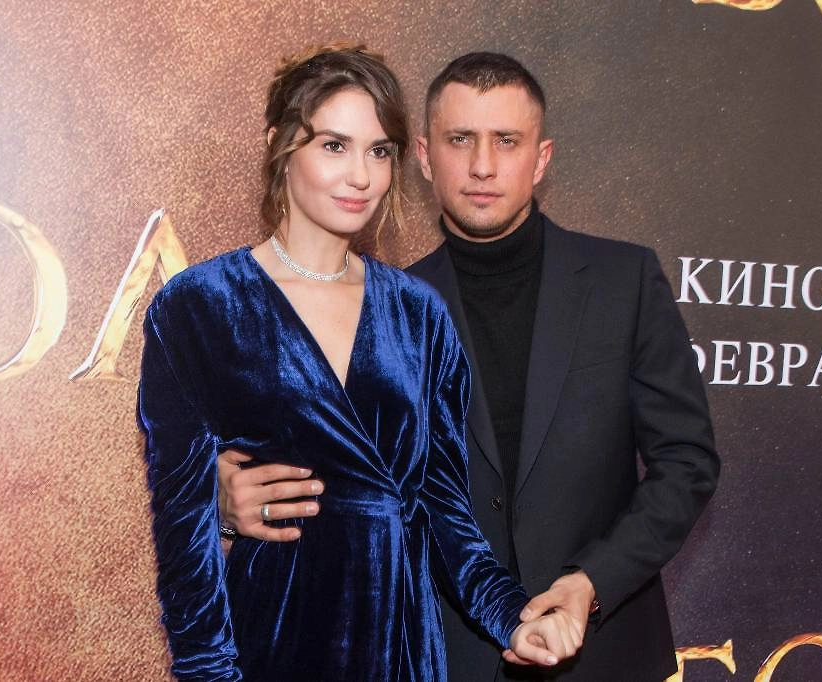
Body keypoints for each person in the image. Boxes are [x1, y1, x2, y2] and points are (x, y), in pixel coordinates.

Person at [218, 52, 720, 681]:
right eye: (460, 139)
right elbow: (341, 486)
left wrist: (592, 582)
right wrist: (224, 499)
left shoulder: (626, 280)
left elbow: (687, 461)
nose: (483, 165)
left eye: (506, 140)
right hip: (443, 657)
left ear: (541, 157)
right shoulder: (382, 307)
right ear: (424, 158)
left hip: (604, 651)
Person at [138, 45, 582, 681]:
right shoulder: (198, 306)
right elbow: (183, 537)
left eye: (378, 151)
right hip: (273, 640)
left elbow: (447, 516)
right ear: (278, 144)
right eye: (334, 146)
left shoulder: (419, 314)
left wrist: (513, 617)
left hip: (401, 646)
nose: (361, 177)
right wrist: (208, 673)